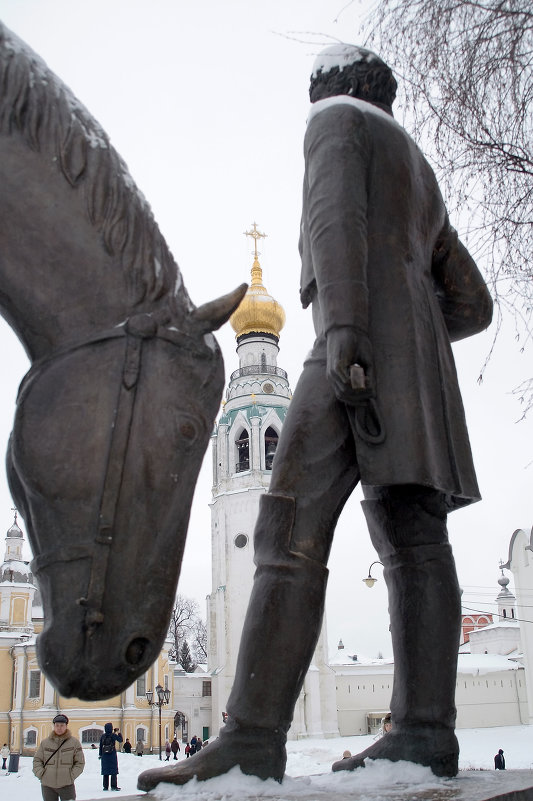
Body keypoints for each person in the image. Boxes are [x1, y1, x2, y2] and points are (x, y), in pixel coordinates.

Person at [137, 43, 492, 792]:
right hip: (414, 373)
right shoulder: (417, 170)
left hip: (346, 348)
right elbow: (471, 302)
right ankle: (425, 732)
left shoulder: (336, 123)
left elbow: (332, 222)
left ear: (333, 86)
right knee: (415, 540)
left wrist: (350, 335)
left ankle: (251, 739)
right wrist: (411, 329)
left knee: (286, 530)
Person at [33, 714, 85, 801]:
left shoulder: (74, 743)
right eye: (57, 725)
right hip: (48, 785)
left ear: (66, 726)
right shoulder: (45, 743)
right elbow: (37, 760)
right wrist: (41, 774)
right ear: (54, 726)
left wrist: (70, 776)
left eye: (62, 725)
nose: (59, 728)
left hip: (67, 785)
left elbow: (80, 762)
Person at [99, 722, 123, 791]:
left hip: (104, 756)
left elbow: (100, 746)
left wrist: (100, 754)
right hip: (112, 755)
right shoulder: (113, 735)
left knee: (105, 771)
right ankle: (113, 786)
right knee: (113, 771)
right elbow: (120, 740)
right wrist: (118, 732)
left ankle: (105, 787)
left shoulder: (103, 736)